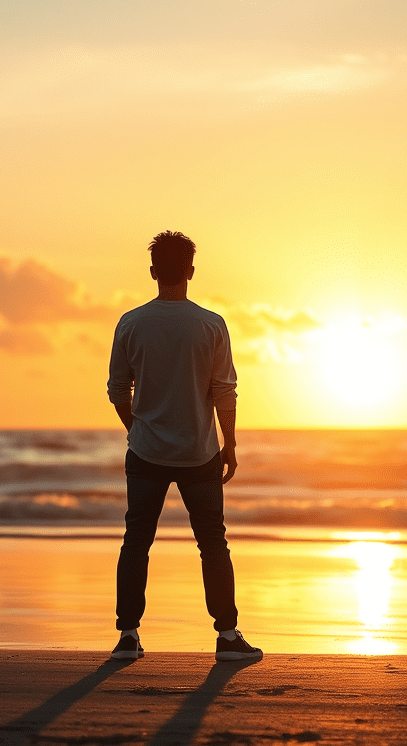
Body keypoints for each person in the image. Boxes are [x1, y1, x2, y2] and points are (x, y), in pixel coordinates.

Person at [106, 230, 262, 662]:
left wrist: (136, 428)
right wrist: (229, 443)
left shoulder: (131, 323)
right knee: (213, 542)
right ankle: (227, 636)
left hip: (146, 451)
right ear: (191, 270)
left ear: (154, 271)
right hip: (199, 452)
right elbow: (223, 391)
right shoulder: (211, 324)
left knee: (137, 539)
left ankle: (128, 635)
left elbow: (119, 390)